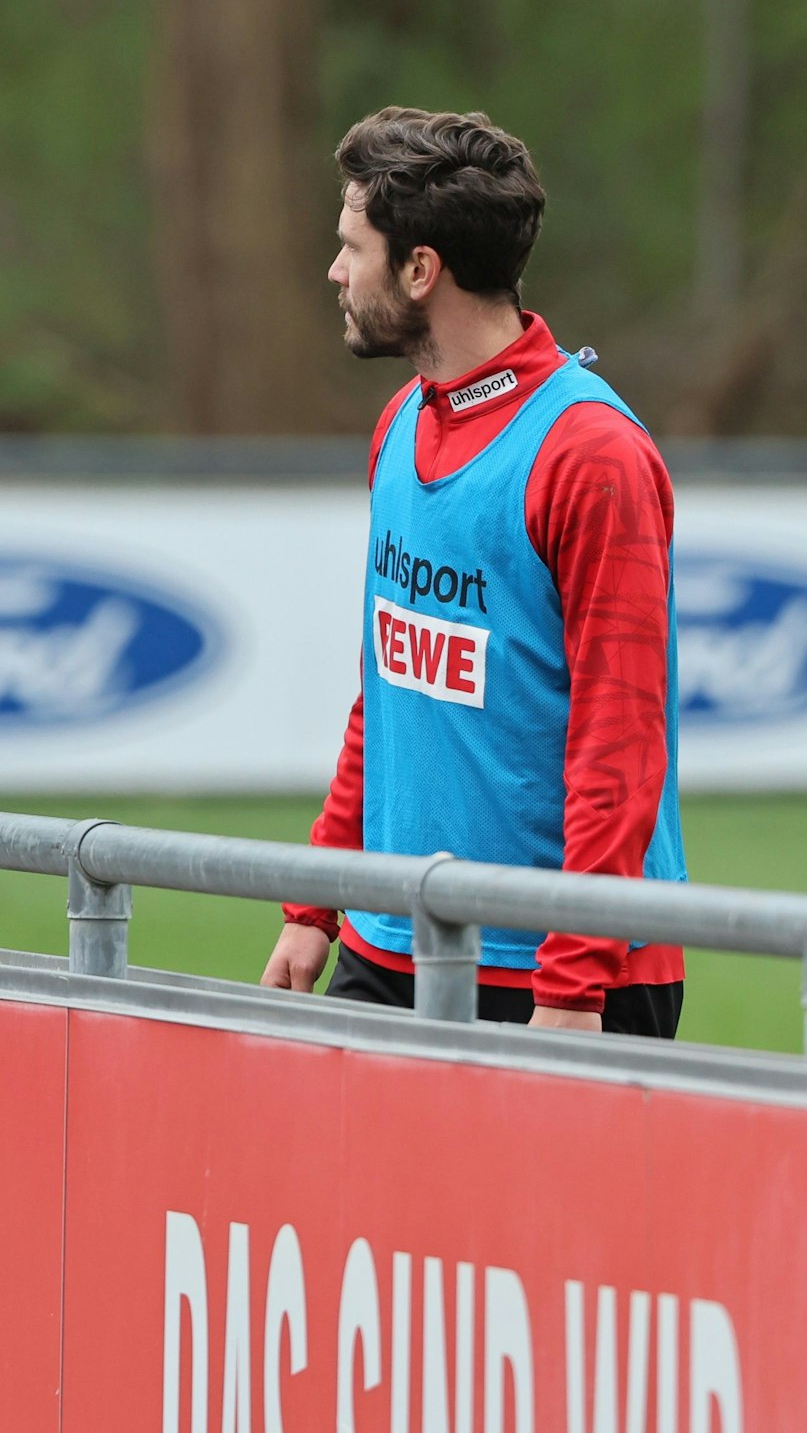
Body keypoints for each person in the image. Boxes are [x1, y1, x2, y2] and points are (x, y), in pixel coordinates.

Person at [259, 107, 686, 1037]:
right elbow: (388, 685)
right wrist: (316, 901)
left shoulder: (591, 453)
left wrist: (574, 981)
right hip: (386, 940)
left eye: (352, 248)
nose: (334, 271)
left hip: (560, 973)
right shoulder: (401, 421)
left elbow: (622, 739)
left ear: (421, 269)